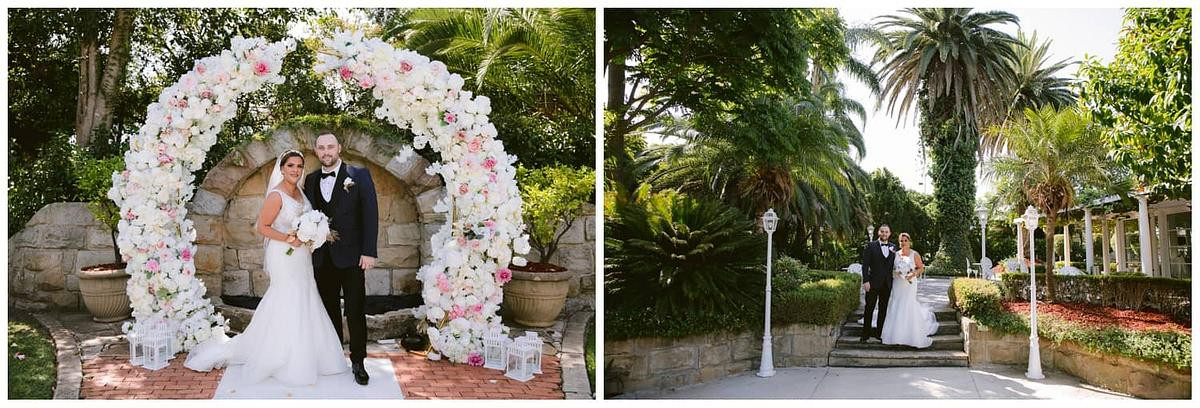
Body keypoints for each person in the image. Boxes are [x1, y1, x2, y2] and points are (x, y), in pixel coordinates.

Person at [185, 150, 348, 386]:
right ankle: (284, 357)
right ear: (281, 169)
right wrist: (289, 238)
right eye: (291, 166)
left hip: (300, 254)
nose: (295, 170)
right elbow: (262, 227)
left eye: (299, 166)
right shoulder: (276, 195)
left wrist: (313, 234)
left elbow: (306, 221)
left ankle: (311, 355)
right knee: (287, 297)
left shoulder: (300, 191)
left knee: (305, 296)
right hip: (284, 253)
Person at [304, 132, 378, 386]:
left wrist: (369, 251)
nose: (326, 151)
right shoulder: (311, 180)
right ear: (316, 151)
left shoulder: (359, 175)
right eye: (321, 148)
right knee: (329, 310)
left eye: (330, 147)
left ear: (339, 148)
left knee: (355, 311)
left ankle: (358, 362)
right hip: (322, 257)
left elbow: (370, 214)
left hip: (353, 256)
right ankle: (334, 358)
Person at [880, 232, 939, 348]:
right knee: (897, 304)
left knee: (908, 304)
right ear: (899, 242)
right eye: (901, 241)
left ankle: (911, 335)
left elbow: (921, 268)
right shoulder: (895, 254)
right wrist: (896, 273)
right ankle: (895, 336)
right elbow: (890, 270)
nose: (903, 243)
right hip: (898, 283)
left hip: (910, 284)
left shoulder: (914, 254)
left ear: (909, 241)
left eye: (905, 240)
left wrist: (912, 274)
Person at [859, 224, 897, 342]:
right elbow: (865, 266)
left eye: (886, 232)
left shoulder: (893, 247)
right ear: (878, 233)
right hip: (872, 283)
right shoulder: (871, 246)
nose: (884, 234)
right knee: (869, 308)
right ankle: (865, 334)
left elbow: (895, 265)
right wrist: (865, 281)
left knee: (883, 309)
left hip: (887, 284)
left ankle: (879, 333)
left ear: (889, 234)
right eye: (882, 231)